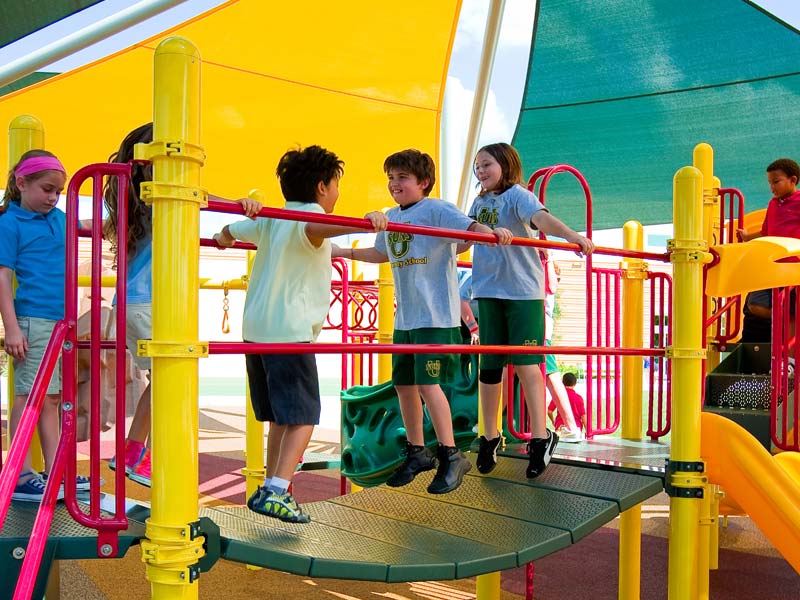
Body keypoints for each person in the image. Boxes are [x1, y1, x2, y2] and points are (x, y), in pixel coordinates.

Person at [214, 145, 387, 523]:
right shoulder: (310, 218)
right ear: (323, 187)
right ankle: (277, 488)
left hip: (256, 332)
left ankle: (269, 483)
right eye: (336, 186)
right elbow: (321, 227)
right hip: (289, 333)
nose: (337, 193)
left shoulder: (270, 219)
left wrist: (232, 224)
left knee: (281, 416)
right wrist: (368, 221)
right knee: (306, 415)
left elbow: (225, 233)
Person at [334, 149, 512, 494]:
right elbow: (381, 252)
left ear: (423, 182)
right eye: (390, 178)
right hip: (408, 318)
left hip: (436, 316)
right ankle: (417, 451)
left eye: (402, 177)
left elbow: (469, 228)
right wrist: (345, 252)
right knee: (403, 384)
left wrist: (493, 232)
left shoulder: (436, 209)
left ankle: (451, 454)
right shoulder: (391, 215)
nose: (394, 184)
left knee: (429, 385)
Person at [102, 123, 261, 487]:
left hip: (133, 302)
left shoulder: (135, 198)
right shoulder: (162, 194)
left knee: (161, 381)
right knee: (172, 380)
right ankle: (144, 457)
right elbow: (202, 197)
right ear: (147, 161)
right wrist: (240, 204)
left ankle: (130, 453)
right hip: (152, 301)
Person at [469, 142, 595, 478]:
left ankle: (541, 436)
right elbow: (466, 231)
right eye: (477, 166)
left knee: (527, 365)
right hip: (488, 290)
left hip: (522, 292)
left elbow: (541, 219)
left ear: (506, 166)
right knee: (490, 366)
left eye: (487, 165)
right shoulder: (479, 202)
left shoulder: (518, 196)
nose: (481, 172)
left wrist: (570, 236)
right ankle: (490, 435)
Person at [0, 150, 85, 501]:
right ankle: (19, 472)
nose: (52, 197)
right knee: (29, 396)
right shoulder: (10, 223)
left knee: (52, 399)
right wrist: (12, 328)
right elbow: (2, 278)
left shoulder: (59, 219)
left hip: (60, 321)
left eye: (58, 192)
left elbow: (91, 228)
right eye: (47, 189)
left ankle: (57, 471)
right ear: (22, 183)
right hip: (33, 320)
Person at [738, 158, 799, 348]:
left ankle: (789, 360)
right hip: (771, 266)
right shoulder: (773, 205)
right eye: (770, 183)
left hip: (792, 267)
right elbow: (767, 231)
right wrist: (748, 237)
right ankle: (785, 316)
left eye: (776, 181)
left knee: (791, 311)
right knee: (755, 304)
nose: (772, 187)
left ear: (793, 180)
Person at [542, 253, 583, 442]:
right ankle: (487, 422)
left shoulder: (545, 274)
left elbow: (551, 285)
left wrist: (548, 259)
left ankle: (571, 426)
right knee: (508, 371)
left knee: (550, 373)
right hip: (537, 329)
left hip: (539, 332)